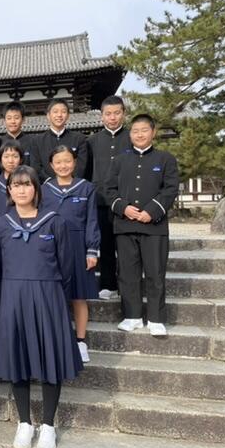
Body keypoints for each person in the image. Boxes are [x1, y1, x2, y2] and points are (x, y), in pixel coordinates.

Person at [0, 165, 82, 448]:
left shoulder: (54, 222)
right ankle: (24, 423)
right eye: (16, 185)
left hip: (47, 297)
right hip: (12, 297)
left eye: (27, 184)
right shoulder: (0, 225)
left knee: (49, 360)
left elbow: (66, 267)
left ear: (36, 189)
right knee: (17, 359)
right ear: (9, 190)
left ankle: (48, 425)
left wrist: (51, 293)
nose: (21, 190)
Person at [106, 114, 179, 337]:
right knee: (128, 273)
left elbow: (170, 189)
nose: (139, 134)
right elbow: (109, 190)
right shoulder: (119, 160)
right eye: (135, 131)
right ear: (130, 134)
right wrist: (123, 208)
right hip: (125, 225)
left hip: (154, 226)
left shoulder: (165, 159)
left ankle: (156, 318)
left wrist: (152, 211)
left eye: (144, 130)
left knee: (155, 272)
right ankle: (132, 316)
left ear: (153, 132)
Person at [40, 146, 100, 363]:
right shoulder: (44, 189)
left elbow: (92, 220)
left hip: (78, 246)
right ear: (51, 165)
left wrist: (92, 250)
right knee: (53, 294)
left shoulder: (86, 188)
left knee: (78, 296)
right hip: (51, 246)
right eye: (58, 162)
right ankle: (58, 340)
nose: (63, 166)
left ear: (75, 163)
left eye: (67, 161)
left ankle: (81, 341)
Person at [87, 96, 132, 300]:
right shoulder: (92, 141)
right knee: (105, 245)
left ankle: (128, 286)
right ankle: (108, 284)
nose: (112, 117)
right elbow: (87, 172)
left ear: (123, 113)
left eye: (116, 113)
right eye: (108, 114)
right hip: (102, 201)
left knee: (127, 248)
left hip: (127, 202)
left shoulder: (132, 137)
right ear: (102, 116)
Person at [30, 99, 88, 182]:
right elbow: (36, 166)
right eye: (55, 112)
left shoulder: (79, 138)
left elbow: (81, 166)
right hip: (47, 186)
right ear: (48, 115)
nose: (59, 115)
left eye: (63, 112)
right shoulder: (37, 141)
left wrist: (71, 182)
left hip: (73, 184)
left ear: (68, 116)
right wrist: (50, 182)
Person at [0, 140, 24, 218]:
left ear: (21, 159)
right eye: (6, 156)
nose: (10, 161)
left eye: (15, 156)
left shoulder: (27, 182)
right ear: (0, 159)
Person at [1, 101, 34, 166]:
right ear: (4, 121)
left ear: (23, 120)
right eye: (9, 118)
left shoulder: (32, 141)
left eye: (16, 118)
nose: (13, 121)